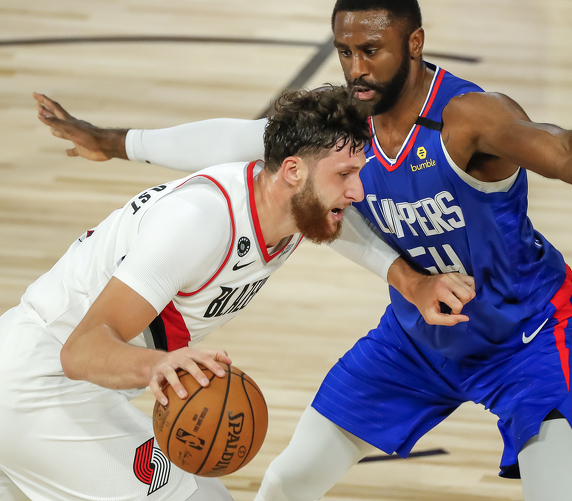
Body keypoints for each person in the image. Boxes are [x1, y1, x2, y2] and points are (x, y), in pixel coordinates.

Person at [35, 0, 572, 501]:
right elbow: (234, 137)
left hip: (524, 337)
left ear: (414, 44)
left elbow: (567, 150)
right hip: (415, 338)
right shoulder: (345, 125)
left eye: (371, 50)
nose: (357, 67)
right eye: (345, 51)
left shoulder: (467, 119)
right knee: (287, 481)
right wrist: (113, 141)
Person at [3, 85, 473, 501]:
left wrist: (412, 283)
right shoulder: (198, 222)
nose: (359, 191)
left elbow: (225, 144)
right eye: (345, 175)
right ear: (292, 171)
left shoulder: (291, 206)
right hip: (39, 383)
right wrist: (158, 364)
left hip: (72, 386)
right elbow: (80, 350)